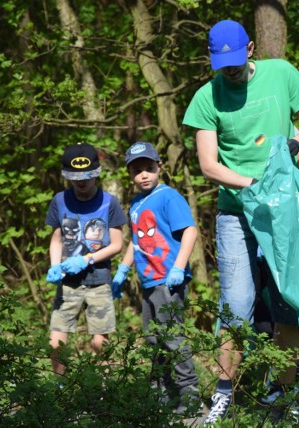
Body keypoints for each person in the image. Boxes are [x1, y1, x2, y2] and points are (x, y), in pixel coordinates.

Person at [182, 19, 299, 424]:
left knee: (285, 304)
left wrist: (293, 144)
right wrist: (253, 184)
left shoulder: (281, 73)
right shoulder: (206, 97)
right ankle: (224, 393)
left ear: (251, 48)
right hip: (236, 213)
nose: (229, 69)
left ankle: (288, 394)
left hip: (283, 210)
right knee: (238, 306)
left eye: (235, 59)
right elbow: (209, 166)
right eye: (220, 62)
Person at [110, 141, 201, 414]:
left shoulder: (168, 196)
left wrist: (178, 267)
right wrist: (122, 271)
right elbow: (136, 241)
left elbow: (190, 231)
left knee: (172, 337)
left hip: (168, 280)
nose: (144, 175)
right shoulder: (137, 202)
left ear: (159, 167)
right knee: (153, 339)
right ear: (130, 175)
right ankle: (160, 395)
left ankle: (191, 397)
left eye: (149, 168)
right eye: (138, 171)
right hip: (149, 281)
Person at [45, 142, 127, 377]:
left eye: (86, 176)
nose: (81, 181)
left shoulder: (108, 202)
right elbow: (56, 239)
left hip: (99, 281)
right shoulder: (59, 201)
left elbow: (117, 245)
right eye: (75, 177)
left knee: (100, 344)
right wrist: (55, 266)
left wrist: (87, 259)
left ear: (96, 173)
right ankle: (61, 387)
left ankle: (101, 390)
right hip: (68, 283)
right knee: (55, 344)